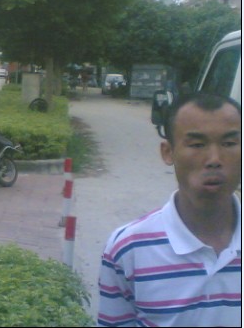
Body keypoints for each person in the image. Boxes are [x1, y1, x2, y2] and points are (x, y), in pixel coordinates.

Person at [97, 93, 241, 327]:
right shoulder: (128, 249)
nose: (214, 159)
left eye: (229, 143)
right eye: (197, 144)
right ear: (168, 152)